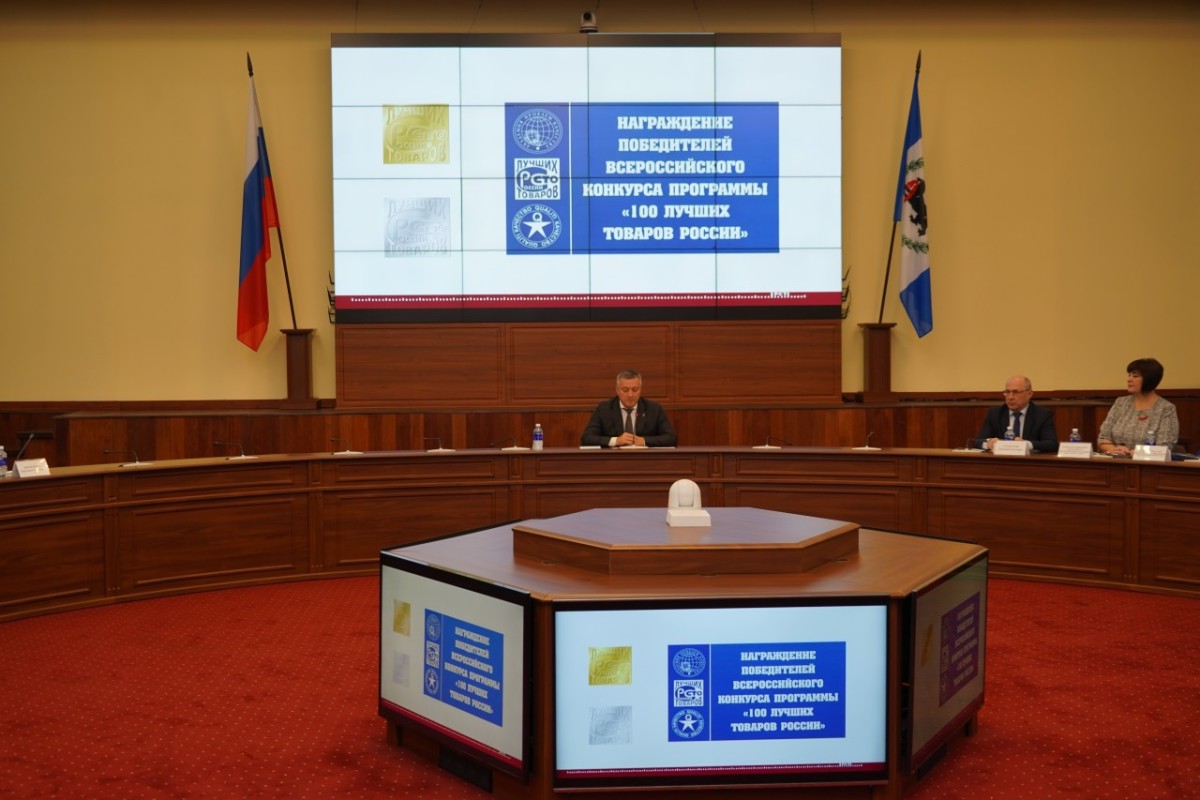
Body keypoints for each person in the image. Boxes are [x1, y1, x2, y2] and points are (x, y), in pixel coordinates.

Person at [1098, 357, 1178, 456]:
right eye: (1129, 375)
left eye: (1135, 376)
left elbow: (1164, 446)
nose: (1129, 379)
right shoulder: (1121, 403)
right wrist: (1114, 450)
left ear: (1149, 379)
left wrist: (1138, 453)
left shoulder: (1166, 408)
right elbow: (1103, 437)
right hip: (1117, 460)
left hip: (1147, 463)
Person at [581, 369, 677, 448]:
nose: (630, 395)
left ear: (640, 390)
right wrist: (616, 441)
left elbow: (671, 438)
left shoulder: (654, 409)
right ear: (617, 390)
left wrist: (644, 441)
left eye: (635, 390)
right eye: (625, 390)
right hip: (613, 460)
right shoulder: (604, 409)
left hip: (645, 459)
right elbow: (587, 438)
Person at [973, 375, 1059, 453]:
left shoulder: (1042, 414)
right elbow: (977, 442)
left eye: (1016, 392)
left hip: (1029, 463)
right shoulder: (995, 413)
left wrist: (1026, 444)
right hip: (1001, 462)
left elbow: (1052, 444)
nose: (1010, 397)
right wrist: (988, 444)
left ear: (1029, 394)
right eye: (1007, 392)